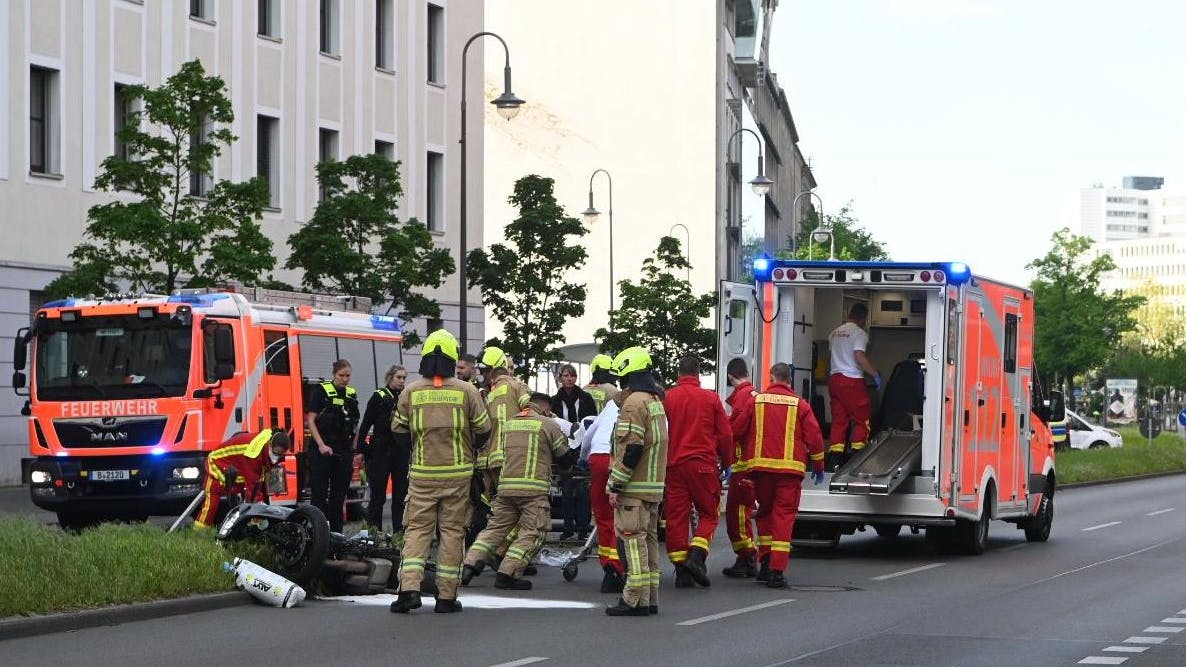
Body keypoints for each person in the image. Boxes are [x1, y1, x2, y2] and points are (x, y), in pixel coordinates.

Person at [389, 330, 491, 614]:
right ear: (452, 358)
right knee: (452, 533)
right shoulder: (467, 390)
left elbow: (397, 430)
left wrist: (418, 447)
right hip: (458, 476)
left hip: (422, 474)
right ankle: (446, 597)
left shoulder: (411, 391)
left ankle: (408, 590)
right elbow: (484, 429)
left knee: (417, 532)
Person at [461, 393, 574, 591]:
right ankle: (508, 573)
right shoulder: (548, 424)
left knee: (495, 530)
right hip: (533, 489)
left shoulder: (510, 424)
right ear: (545, 408)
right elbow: (565, 458)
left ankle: (469, 565)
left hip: (505, 488)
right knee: (534, 531)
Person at [735, 362, 825, 589]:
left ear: (771, 377)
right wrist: (818, 463)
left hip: (761, 470)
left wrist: (734, 458)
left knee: (764, 514)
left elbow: (738, 429)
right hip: (789, 472)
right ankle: (777, 570)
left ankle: (765, 563)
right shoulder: (800, 404)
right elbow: (814, 436)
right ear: (790, 379)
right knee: (783, 518)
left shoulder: (756, 400)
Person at [605, 347, 668, 617]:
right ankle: (650, 599)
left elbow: (631, 449)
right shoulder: (655, 401)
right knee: (649, 542)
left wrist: (615, 484)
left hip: (634, 487)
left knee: (632, 542)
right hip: (653, 486)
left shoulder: (634, 403)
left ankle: (633, 599)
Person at [662, 356, 732, 588]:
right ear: (699, 374)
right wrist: (728, 462)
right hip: (703, 465)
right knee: (709, 514)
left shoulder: (668, 398)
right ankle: (697, 555)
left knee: (676, 517)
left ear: (678, 375)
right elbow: (724, 435)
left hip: (674, 466)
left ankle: (681, 570)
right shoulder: (711, 398)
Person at [468, 346, 532, 555]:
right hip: (509, 459)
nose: (483, 375)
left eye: (485, 371)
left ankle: (487, 551)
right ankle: (503, 553)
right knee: (516, 510)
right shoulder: (517, 387)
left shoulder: (490, 394)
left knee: (496, 509)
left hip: (489, 461)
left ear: (494, 370)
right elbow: (531, 412)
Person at [580, 376, 626, 593]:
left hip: (597, 457)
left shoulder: (610, 405)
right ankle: (617, 568)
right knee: (619, 516)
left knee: (603, 516)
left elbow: (589, 435)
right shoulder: (649, 406)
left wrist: (582, 458)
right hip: (617, 457)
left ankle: (608, 567)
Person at [194, 429, 291, 528]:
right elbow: (253, 485)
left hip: (236, 469)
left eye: (280, 454)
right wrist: (258, 506)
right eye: (276, 452)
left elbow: (258, 479)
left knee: (251, 497)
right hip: (217, 463)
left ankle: (246, 526)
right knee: (213, 498)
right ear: (270, 445)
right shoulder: (253, 454)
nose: (277, 457)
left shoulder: (267, 447)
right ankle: (200, 530)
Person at [305, 359, 359, 533]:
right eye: (341, 375)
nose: (345, 379)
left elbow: (355, 425)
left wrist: (355, 450)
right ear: (334, 374)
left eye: (348, 376)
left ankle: (337, 537)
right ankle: (315, 535)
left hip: (343, 452)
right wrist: (321, 445)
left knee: (338, 498)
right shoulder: (321, 391)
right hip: (322, 452)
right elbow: (311, 420)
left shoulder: (351, 394)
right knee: (319, 496)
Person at [354, 364, 408, 535]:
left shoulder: (406, 397)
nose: (401, 381)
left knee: (400, 495)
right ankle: (374, 532)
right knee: (378, 496)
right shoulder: (379, 396)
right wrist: (360, 449)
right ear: (390, 377)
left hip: (400, 451)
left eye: (404, 378)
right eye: (398, 377)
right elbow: (365, 424)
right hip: (381, 450)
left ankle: (398, 531)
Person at [827, 303, 881, 468]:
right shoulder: (859, 333)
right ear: (863, 318)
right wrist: (875, 374)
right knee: (861, 419)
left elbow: (832, 355)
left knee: (839, 420)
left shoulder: (834, 333)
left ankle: (835, 460)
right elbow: (859, 356)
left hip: (834, 380)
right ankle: (857, 458)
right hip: (852, 381)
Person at [721, 358, 760, 578]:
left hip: (743, 464)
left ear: (730, 376)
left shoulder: (744, 397)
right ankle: (746, 556)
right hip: (750, 463)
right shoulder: (752, 395)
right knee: (742, 512)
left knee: (737, 513)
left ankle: (747, 556)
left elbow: (735, 430)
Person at [552, 363, 597, 540]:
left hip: (582, 447)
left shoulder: (586, 398)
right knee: (567, 488)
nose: (569, 379)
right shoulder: (555, 400)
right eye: (565, 376)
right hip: (563, 447)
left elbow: (593, 421)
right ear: (560, 378)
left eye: (572, 376)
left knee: (582, 490)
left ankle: (583, 528)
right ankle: (568, 527)